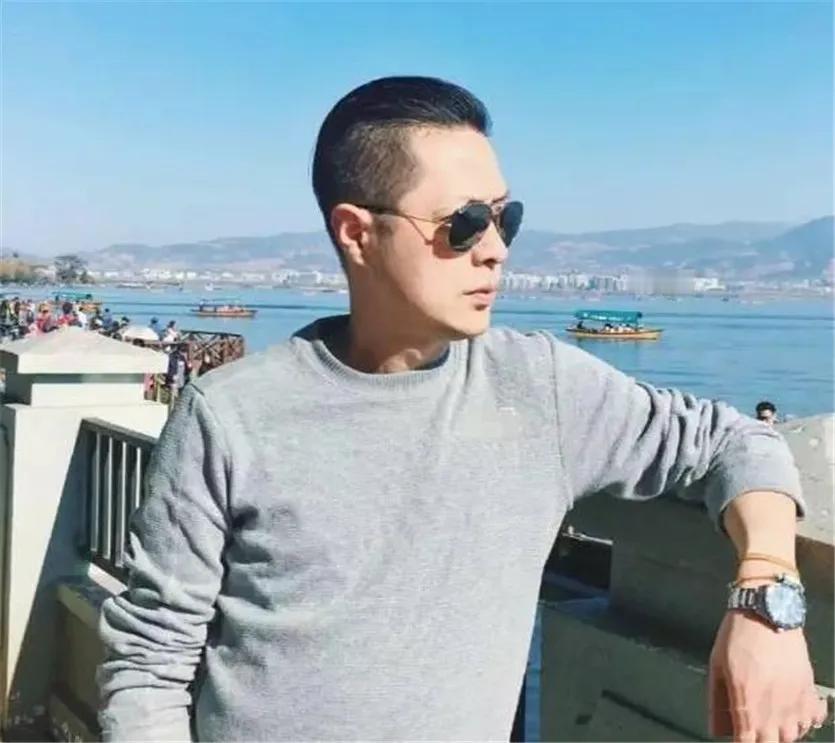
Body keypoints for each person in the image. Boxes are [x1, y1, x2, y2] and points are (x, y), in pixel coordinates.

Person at [98, 77, 827, 743]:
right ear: (356, 232)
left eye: (506, 218)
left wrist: (765, 595)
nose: (496, 249)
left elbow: (735, 442)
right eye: (465, 223)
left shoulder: (538, 387)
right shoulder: (230, 415)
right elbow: (148, 665)